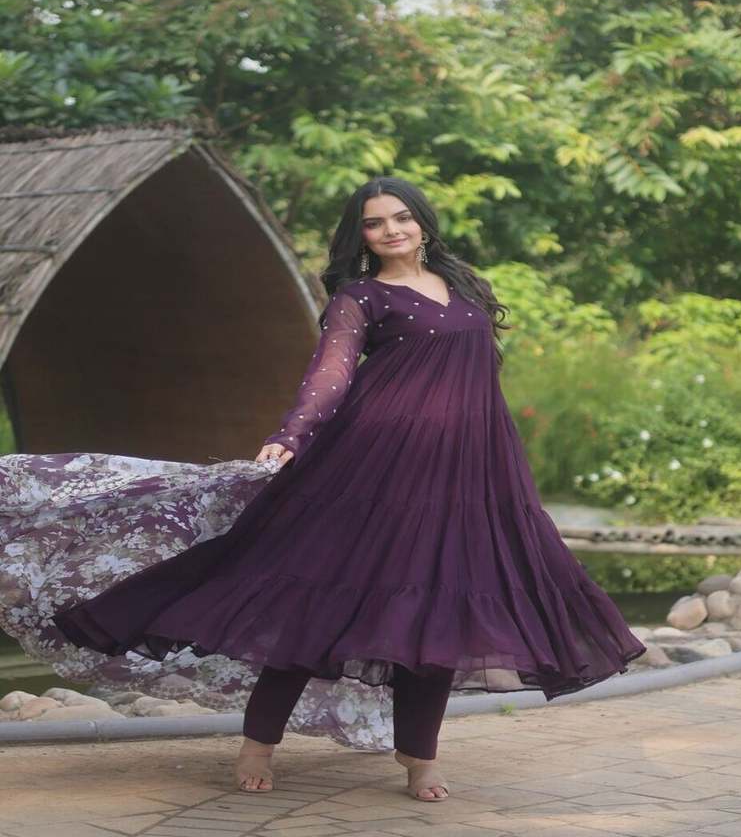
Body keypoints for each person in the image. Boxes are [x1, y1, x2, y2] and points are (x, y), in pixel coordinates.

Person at [52, 176, 647, 800]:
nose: (392, 229)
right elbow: (330, 374)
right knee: (311, 602)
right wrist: (292, 433)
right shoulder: (360, 297)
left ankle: (419, 757)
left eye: (402, 217)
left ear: (422, 222)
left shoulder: (467, 287)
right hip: (377, 467)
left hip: (469, 469)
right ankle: (259, 743)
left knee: (441, 611)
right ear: (359, 235)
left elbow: (478, 378)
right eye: (374, 222)